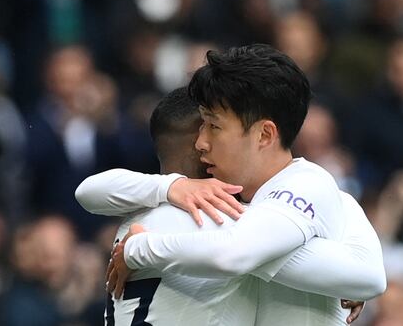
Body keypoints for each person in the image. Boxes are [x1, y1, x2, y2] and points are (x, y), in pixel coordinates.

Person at [84, 45, 386, 324]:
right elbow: (367, 276)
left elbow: (236, 253)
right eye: (202, 127)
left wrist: (139, 247)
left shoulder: (306, 188)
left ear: (265, 135)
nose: (203, 142)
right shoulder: (218, 215)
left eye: (213, 126)